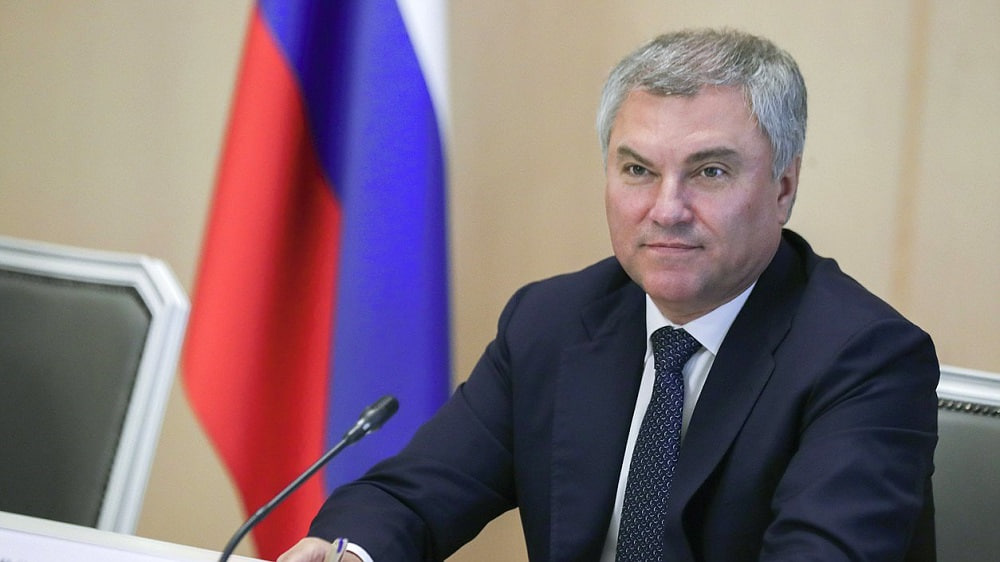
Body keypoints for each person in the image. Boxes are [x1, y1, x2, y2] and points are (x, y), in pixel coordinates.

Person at [278, 28, 939, 562]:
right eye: (638, 170)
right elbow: (410, 498)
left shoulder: (865, 358)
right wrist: (353, 554)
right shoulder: (551, 323)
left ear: (783, 188)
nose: (667, 209)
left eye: (710, 171)